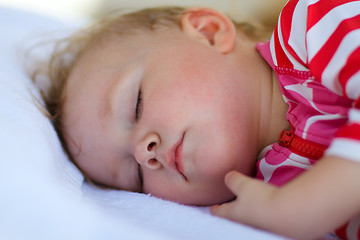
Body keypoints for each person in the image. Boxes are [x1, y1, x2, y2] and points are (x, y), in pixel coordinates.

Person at [34, 1, 360, 239]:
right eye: (135, 177)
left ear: (208, 32)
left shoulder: (314, 25)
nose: (142, 153)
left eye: (136, 105)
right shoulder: (264, 203)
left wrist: (305, 207)